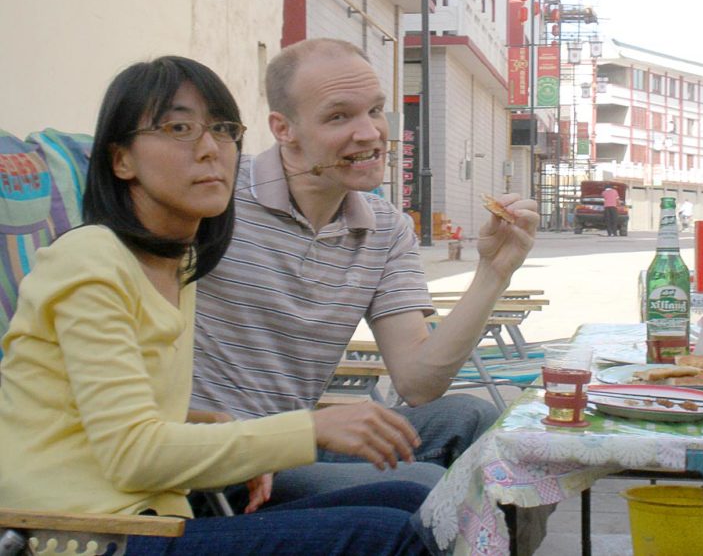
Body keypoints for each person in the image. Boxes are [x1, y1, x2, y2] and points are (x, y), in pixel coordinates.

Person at [0, 56, 431, 555]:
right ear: (121, 160)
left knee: (407, 499)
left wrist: (212, 425)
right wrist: (309, 427)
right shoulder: (91, 259)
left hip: (156, 518)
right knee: (385, 536)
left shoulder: (177, 265)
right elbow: (133, 454)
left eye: (223, 130)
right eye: (178, 128)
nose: (210, 150)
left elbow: (102, 412)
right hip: (81, 537)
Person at [189, 38, 538, 510]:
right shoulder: (216, 199)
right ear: (283, 128)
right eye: (339, 117)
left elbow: (417, 383)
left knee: (477, 420)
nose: (370, 133)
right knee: (425, 487)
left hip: (293, 446)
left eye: (375, 110)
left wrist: (493, 273)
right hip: (218, 464)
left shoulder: (386, 229)